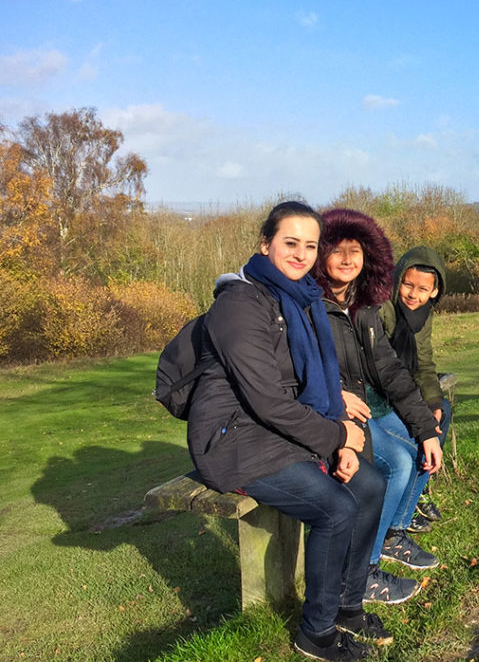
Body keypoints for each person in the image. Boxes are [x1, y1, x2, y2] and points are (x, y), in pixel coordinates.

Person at [186, 201, 388, 661]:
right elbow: (266, 400)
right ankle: (315, 635)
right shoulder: (240, 305)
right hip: (232, 439)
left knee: (370, 485)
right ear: (265, 244)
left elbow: (318, 380)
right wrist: (336, 438)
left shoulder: (302, 300)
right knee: (335, 509)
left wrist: (338, 432)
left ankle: (346, 606)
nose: (301, 254)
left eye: (310, 245)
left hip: (278, 429)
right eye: (290, 243)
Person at [313, 208, 444, 605]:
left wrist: (426, 426)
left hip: (355, 412)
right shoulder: (309, 303)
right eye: (338, 250)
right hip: (321, 418)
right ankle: (362, 570)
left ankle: (386, 539)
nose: (349, 259)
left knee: (418, 445)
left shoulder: (363, 307)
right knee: (397, 464)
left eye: (357, 250)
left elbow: (392, 370)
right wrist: (334, 396)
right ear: (321, 255)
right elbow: (292, 369)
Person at [376, 246, 452, 533]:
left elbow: (424, 362)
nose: (413, 294)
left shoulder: (424, 315)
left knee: (441, 413)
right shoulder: (384, 308)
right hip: (382, 392)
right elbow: (380, 364)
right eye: (408, 285)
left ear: (434, 292)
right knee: (416, 441)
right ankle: (397, 523)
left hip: (403, 386)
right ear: (398, 281)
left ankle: (414, 497)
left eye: (422, 289)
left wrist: (432, 400)